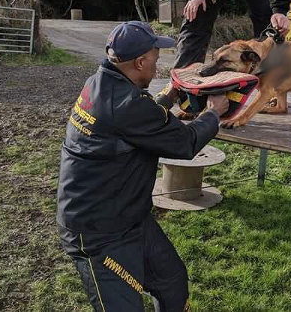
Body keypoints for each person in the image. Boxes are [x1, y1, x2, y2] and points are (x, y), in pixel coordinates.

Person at [57, 21, 229, 312]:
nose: (157, 63)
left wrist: (171, 93)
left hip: (129, 217)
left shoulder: (100, 83)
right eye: (154, 58)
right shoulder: (125, 105)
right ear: (139, 62)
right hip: (98, 232)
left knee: (171, 280)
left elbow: (142, 117)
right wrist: (214, 114)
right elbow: (185, 142)